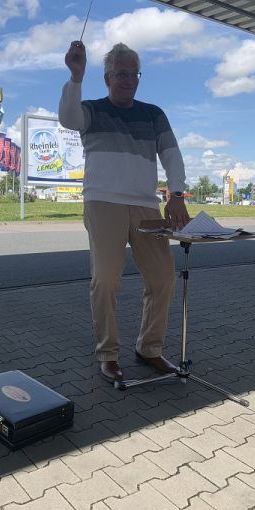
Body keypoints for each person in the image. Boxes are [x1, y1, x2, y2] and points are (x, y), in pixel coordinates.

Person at [59, 41, 190, 383]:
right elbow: (68, 118)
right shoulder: (91, 110)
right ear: (107, 78)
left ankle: (149, 348)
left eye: (134, 74)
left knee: (163, 278)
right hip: (103, 202)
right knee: (106, 280)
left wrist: (176, 194)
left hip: (146, 205)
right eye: (121, 74)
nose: (129, 80)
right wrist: (76, 77)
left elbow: (172, 154)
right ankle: (108, 353)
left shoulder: (153, 114)